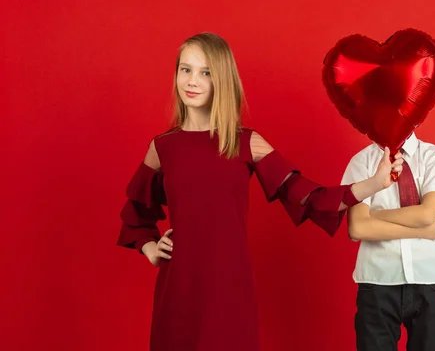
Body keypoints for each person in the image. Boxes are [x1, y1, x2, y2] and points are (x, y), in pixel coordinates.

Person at [116, 32, 403, 351]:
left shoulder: (246, 143)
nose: (192, 81)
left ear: (221, 79)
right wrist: (150, 247)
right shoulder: (163, 147)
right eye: (186, 69)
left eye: (205, 72)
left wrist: (376, 183)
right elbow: (135, 213)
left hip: (229, 284)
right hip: (179, 286)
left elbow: (310, 198)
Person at [341, 132, 435, 351]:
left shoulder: (433, 157)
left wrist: (372, 217)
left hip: (428, 279)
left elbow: (426, 215)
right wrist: (422, 231)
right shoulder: (362, 162)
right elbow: (357, 228)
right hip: (378, 281)